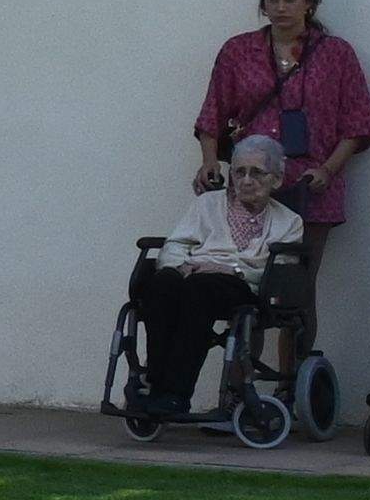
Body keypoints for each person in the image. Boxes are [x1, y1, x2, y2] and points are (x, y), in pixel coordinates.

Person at [123, 138, 307, 422]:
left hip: (241, 285)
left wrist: (229, 270)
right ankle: (154, 384)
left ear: (277, 179)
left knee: (202, 289)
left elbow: (280, 271)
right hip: (193, 275)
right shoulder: (207, 204)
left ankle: (176, 394)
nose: (246, 180)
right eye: (239, 172)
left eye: (257, 173)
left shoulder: (289, 222)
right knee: (162, 285)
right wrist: (180, 267)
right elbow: (176, 243)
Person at [196, 0, 370, 238]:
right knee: (244, 262)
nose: (281, 7)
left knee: (300, 265)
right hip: (252, 184)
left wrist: (327, 170)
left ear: (309, 3)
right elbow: (212, 114)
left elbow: (359, 124)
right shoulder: (238, 51)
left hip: (311, 185)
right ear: (263, 4)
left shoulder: (336, 54)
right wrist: (209, 161)